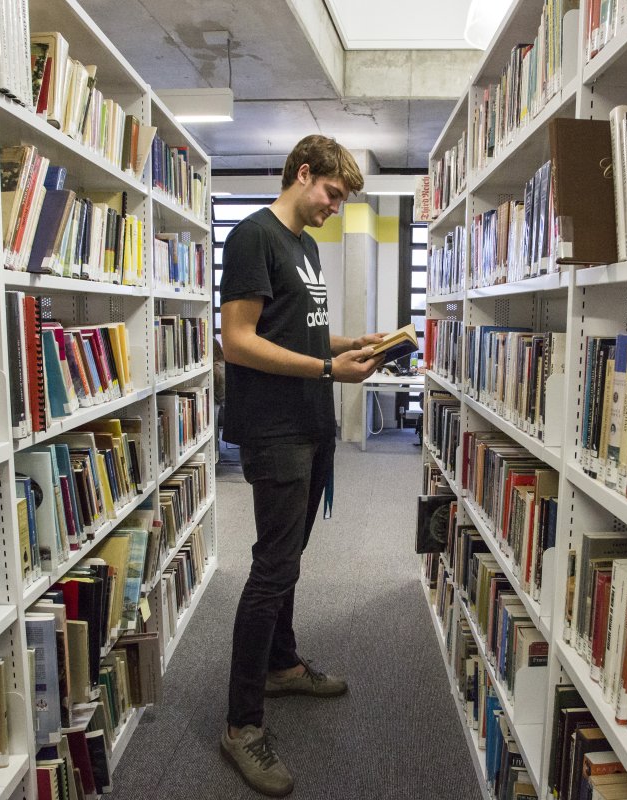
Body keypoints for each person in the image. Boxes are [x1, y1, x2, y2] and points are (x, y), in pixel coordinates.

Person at [219, 134, 384, 797]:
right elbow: (238, 341)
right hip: (275, 430)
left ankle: (282, 665)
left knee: (288, 561)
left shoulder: (305, 247)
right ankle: (241, 725)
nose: (334, 209)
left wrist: (353, 343)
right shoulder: (252, 238)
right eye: (332, 195)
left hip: (312, 424)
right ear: (303, 172)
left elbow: (296, 330)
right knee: (272, 569)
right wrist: (327, 368)